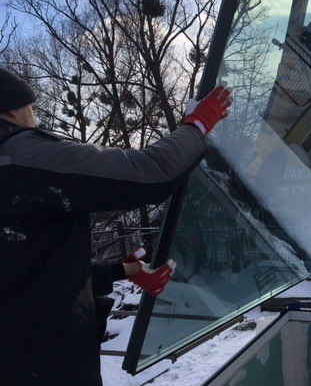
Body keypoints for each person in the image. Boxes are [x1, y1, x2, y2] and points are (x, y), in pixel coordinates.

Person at [0, 68, 232, 385]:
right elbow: (147, 173)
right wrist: (197, 127)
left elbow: (26, 278)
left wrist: (124, 271)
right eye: (32, 108)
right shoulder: (18, 156)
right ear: (12, 110)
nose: (34, 118)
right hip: (48, 367)